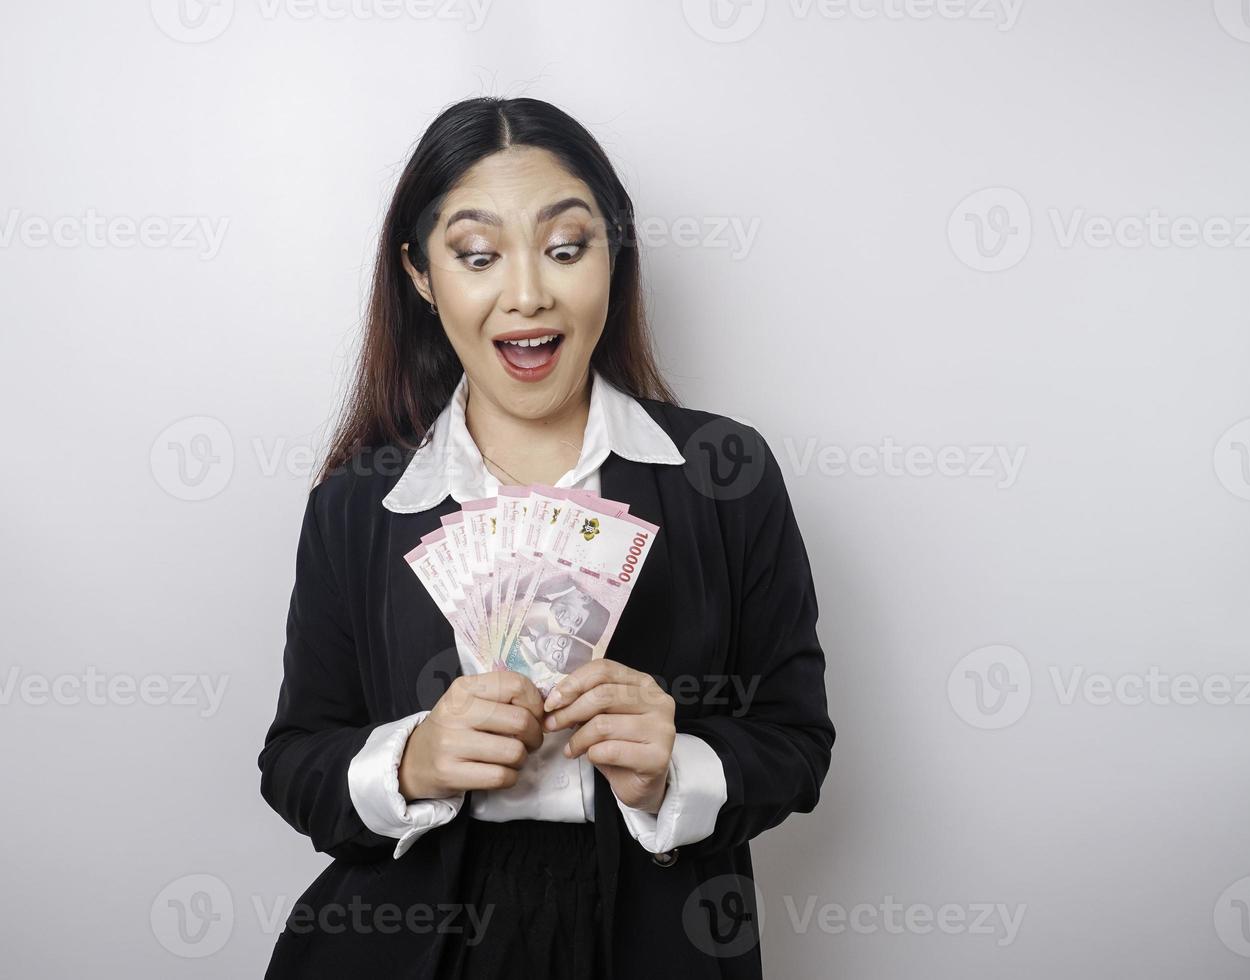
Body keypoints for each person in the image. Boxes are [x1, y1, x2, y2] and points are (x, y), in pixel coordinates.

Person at [258, 96, 835, 980]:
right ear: (420, 274)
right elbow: (295, 761)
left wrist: (675, 769)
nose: (527, 292)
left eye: (567, 248)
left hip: (653, 939)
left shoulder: (728, 475)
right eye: (478, 255)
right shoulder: (356, 506)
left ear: (614, 255)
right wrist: (410, 762)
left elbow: (796, 743)